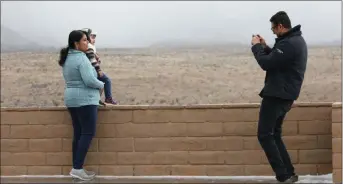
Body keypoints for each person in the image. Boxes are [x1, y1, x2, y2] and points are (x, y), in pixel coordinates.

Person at [250, 11, 307, 183]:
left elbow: (267, 63)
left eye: (273, 28)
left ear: (280, 26)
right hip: (285, 95)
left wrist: (256, 47)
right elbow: (277, 59)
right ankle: (289, 173)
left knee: (265, 134)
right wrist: (266, 47)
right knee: (274, 134)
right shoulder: (295, 41)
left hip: (277, 94)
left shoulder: (290, 43)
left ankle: (283, 176)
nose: (273, 31)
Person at [58, 30, 104, 181]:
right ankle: (77, 168)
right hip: (85, 100)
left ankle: (76, 168)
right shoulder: (82, 59)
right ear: (76, 44)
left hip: (71, 99)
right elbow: (90, 80)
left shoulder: (67, 59)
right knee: (87, 132)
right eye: (84, 40)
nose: (87, 42)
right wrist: (101, 84)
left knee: (78, 133)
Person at [81, 28, 118, 105]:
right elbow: (92, 59)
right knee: (106, 81)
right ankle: (108, 98)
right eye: (92, 36)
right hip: (93, 70)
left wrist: (96, 56)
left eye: (94, 37)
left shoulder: (87, 47)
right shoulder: (89, 46)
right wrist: (98, 69)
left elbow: (92, 56)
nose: (94, 39)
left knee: (99, 85)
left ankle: (97, 100)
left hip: (90, 70)